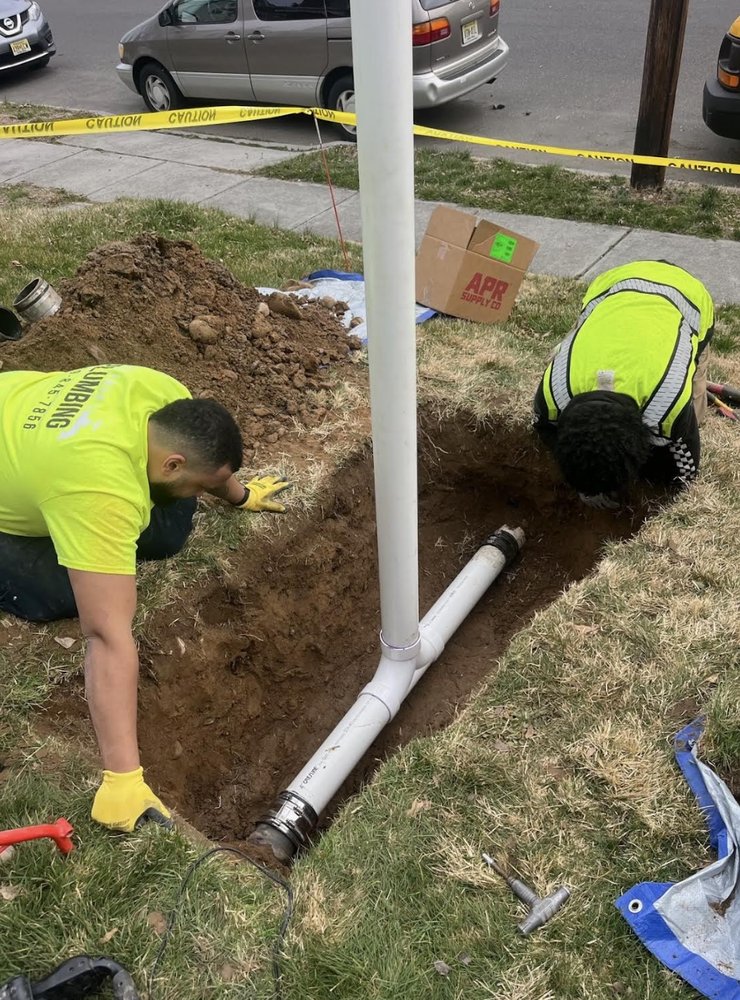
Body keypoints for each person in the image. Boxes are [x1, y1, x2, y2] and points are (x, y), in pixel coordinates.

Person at [0, 364, 290, 833]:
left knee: (170, 523)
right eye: (203, 484)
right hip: (49, 467)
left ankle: (62, 513)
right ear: (172, 462)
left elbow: (206, 465)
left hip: (22, 428)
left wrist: (242, 496)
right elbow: (106, 635)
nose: (206, 492)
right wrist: (123, 781)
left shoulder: (163, 394)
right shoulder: (99, 487)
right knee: (60, 592)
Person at [533, 260, 715, 509]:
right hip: (613, 284)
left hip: (688, 297)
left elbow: (686, 466)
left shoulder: (668, 407)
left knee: (695, 405)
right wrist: (586, 485)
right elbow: (545, 432)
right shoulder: (552, 394)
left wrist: (667, 489)